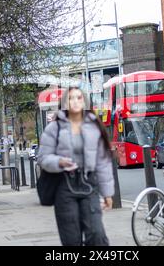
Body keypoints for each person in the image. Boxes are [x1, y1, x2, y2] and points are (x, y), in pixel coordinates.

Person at [37, 86, 114, 246]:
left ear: (84, 101)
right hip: (64, 187)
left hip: (89, 185)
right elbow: (43, 158)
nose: (76, 101)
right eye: (71, 98)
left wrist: (107, 194)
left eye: (79, 97)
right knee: (71, 239)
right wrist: (59, 162)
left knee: (97, 234)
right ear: (65, 102)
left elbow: (103, 162)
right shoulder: (54, 128)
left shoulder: (94, 127)